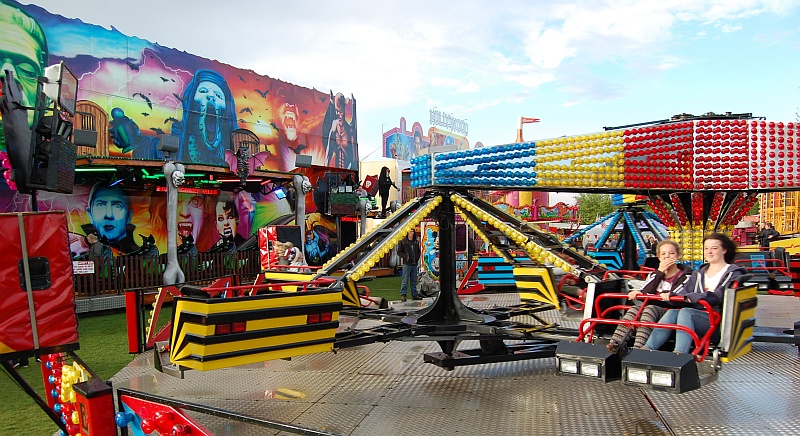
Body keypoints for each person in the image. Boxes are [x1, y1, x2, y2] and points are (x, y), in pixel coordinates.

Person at [644, 233, 747, 354]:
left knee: (686, 312)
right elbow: (684, 291)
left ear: (724, 250)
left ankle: (680, 353)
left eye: (714, 248)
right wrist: (671, 296)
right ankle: (647, 349)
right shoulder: (698, 273)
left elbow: (718, 296)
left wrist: (690, 297)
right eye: (706, 248)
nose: (709, 252)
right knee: (673, 312)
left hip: (716, 320)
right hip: (697, 315)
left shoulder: (733, 273)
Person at [606, 240, 692, 354]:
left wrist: (664, 296)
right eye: (663, 254)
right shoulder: (654, 275)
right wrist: (659, 273)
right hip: (652, 308)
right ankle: (615, 342)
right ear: (659, 257)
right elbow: (645, 292)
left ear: (678, 256)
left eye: (671, 253)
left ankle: (639, 348)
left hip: (671, 312)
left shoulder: (685, 276)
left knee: (649, 310)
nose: (667, 257)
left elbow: (676, 296)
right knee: (635, 309)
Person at [171, 69, 239, 165]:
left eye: (218, 95)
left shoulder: (231, 145)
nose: (211, 96)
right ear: (191, 99)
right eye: (203, 91)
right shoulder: (177, 135)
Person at [82, 183, 139, 253]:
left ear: (129, 216)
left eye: (117, 206)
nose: (109, 215)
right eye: (101, 205)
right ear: (90, 214)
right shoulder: (79, 252)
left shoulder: (140, 255)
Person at [397, 229, 421, 301]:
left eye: (413, 231)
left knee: (414, 280)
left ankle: (414, 294)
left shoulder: (416, 242)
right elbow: (399, 252)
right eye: (410, 231)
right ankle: (403, 294)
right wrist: (406, 257)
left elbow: (418, 251)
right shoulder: (403, 242)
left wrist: (417, 258)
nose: (412, 233)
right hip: (407, 264)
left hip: (414, 263)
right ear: (407, 232)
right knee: (405, 280)